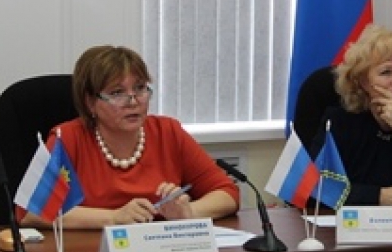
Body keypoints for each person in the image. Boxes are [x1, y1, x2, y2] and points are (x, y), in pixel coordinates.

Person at [20, 45, 239, 229]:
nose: (133, 101)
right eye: (117, 93)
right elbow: (32, 213)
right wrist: (114, 218)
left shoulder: (168, 132)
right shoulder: (68, 138)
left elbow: (227, 193)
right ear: (90, 103)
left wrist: (188, 212)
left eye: (140, 88)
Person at [304, 25, 392, 206]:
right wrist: (380, 196)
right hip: (351, 223)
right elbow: (314, 191)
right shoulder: (339, 122)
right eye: (386, 72)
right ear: (364, 81)